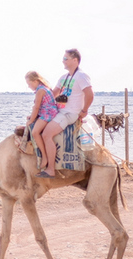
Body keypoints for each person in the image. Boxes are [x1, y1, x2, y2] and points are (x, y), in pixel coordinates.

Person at [37, 48, 94, 179]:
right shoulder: (64, 77)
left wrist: (84, 110)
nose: (63, 61)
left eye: (65, 58)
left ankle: (51, 169)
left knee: (47, 134)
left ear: (75, 60)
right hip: (59, 111)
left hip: (69, 113)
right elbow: (52, 95)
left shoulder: (81, 76)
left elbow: (90, 94)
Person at [24, 71, 59, 174]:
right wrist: (32, 116)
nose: (29, 87)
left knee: (35, 132)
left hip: (48, 113)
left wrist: (31, 121)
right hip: (45, 112)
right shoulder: (43, 88)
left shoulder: (41, 90)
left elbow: (37, 107)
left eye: (29, 84)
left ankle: (44, 156)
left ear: (35, 81)